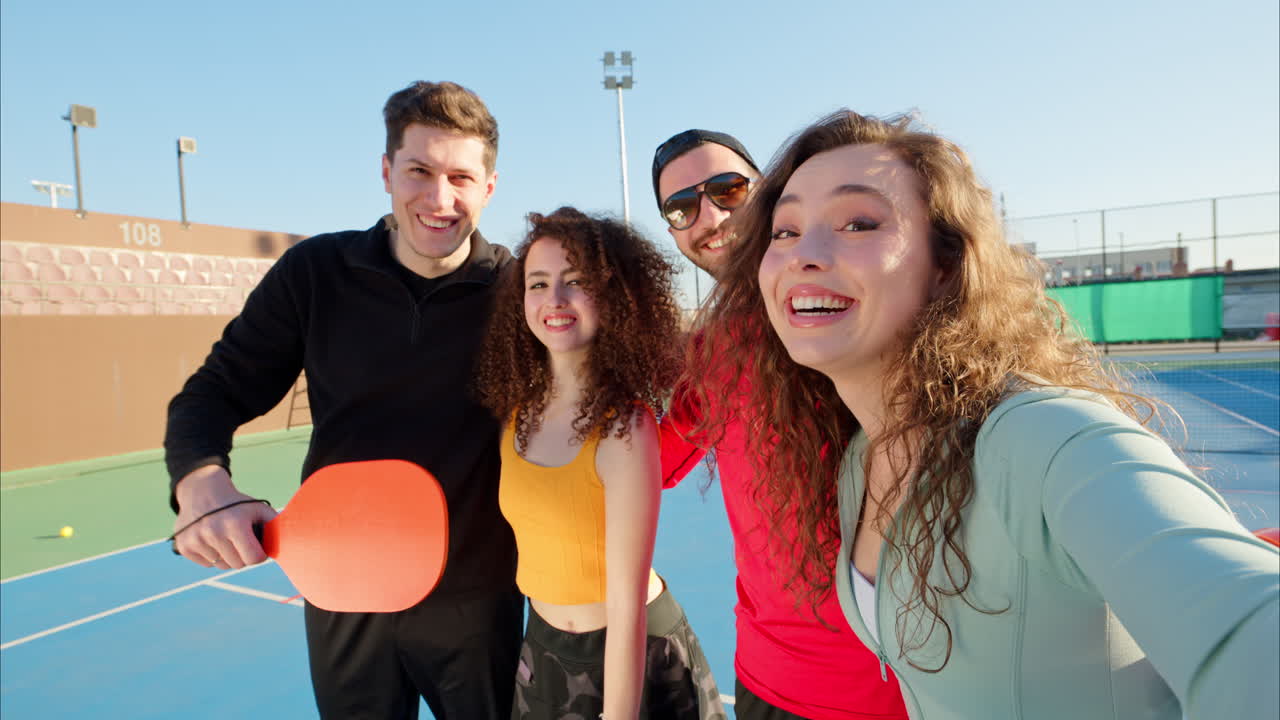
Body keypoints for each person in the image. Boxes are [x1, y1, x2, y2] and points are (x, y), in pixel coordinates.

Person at [685, 109, 1280, 719]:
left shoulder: (1043, 436)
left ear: (945, 266)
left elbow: (1249, 627)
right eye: (784, 231)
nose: (803, 254)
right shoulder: (861, 464)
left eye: (859, 222)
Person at [165, 81, 523, 719]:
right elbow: (213, 393)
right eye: (419, 171)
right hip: (342, 591)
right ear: (387, 172)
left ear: (488, 188)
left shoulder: (520, 291)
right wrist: (200, 481)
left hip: (478, 598)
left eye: (462, 178)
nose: (440, 198)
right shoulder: (314, 274)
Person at [653, 129, 909, 720]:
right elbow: (652, 462)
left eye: (727, 189)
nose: (709, 216)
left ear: (771, 192)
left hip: (897, 688)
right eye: (681, 208)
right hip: (768, 684)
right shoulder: (715, 348)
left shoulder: (872, 309)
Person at [474, 207, 725, 720]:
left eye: (576, 282)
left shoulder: (624, 427)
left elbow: (626, 605)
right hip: (543, 651)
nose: (555, 300)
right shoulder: (515, 417)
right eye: (538, 284)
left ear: (612, 297)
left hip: (634, 658)